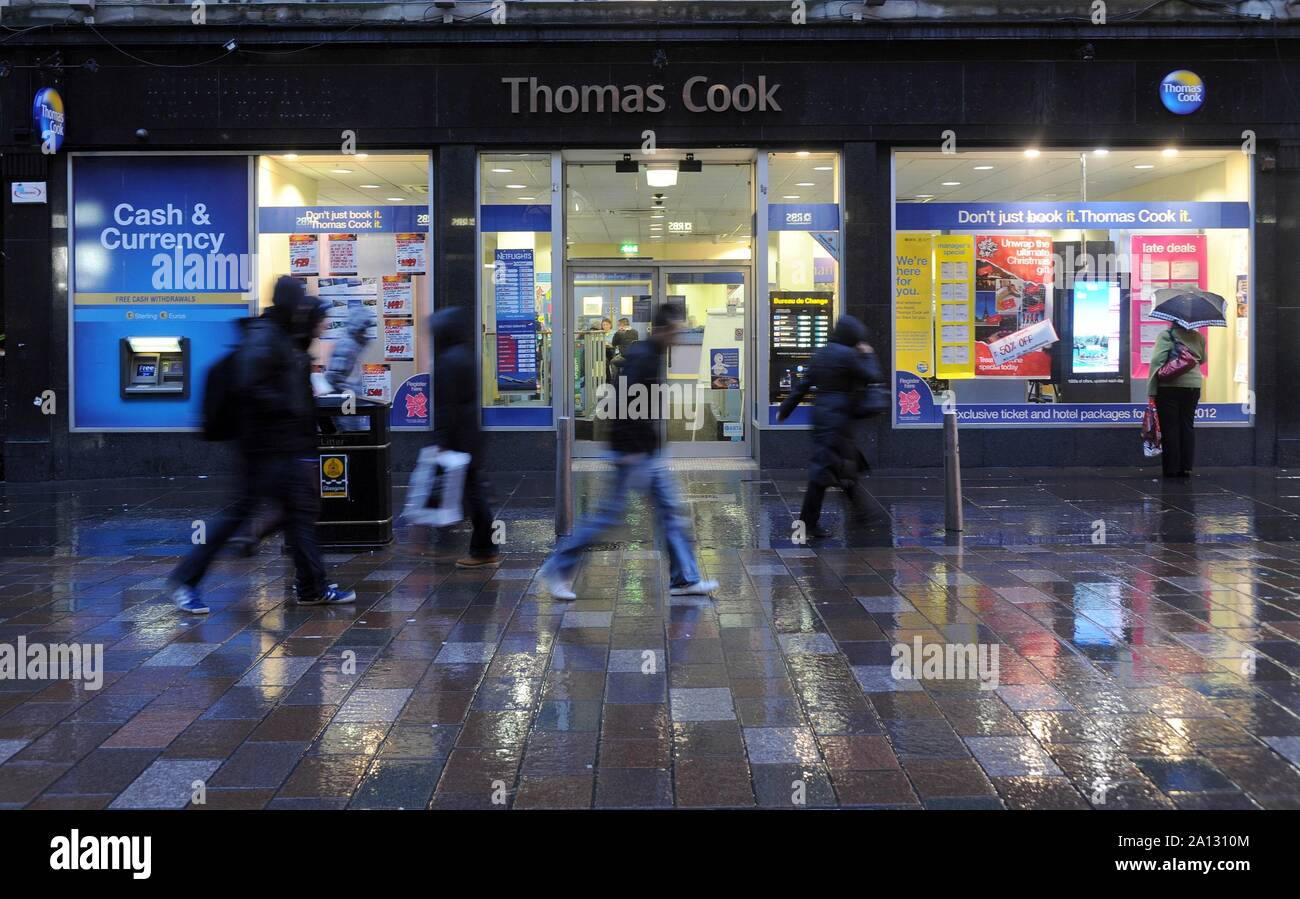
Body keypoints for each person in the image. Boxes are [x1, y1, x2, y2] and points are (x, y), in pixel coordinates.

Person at [168, 276, 357, 613]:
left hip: (285, 448)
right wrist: (286, 407)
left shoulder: (282, 337)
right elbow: (248, 385)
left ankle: (313, 587)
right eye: (300, 302)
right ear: (289, 303)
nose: (304, 308)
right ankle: (186, 581)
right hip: (262, 451)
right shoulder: (265, 336)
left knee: (299, 516)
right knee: (238, 516)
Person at [541, 304, 718, 601]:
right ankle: (558, 566)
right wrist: (628, 449)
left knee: (670, 513)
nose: (680, 337)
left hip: (647, 452)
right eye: (677, 330)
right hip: (634, 454)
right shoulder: (644, 359)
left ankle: (685, 579)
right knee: (608, 517)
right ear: (662, 330)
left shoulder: (653, 356)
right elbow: (624, 403)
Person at [777, 314, 883, 538]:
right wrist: (869, 355)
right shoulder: (849, 355)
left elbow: (802, 386)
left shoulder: (822, 354)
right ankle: (815, 523)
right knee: (831, 470)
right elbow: (872, 375)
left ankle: (855, 515)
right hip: (840, 418)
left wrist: (785, 410)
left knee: (835, 466)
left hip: (822, 415)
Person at [431, 307, 501, 568]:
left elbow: (446, 406)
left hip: (459, 436)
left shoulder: (447, 360)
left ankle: (484, 549)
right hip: (471, 433)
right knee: (474, 490)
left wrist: (442, 439)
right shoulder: (467, 355)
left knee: (473, 493)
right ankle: (484, 547)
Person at [1148, 322, 1204, 478]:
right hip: (1193, 386)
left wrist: (1151, 390)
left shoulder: (1167, 335)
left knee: (1170, 427)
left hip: (1169, 387)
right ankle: (1186, 467)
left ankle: (1171, 468)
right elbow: (1202, 359)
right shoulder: (1199, 336)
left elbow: (1156, 362)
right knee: (1187, 425)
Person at [324, 304, 375, 432]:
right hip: (345, 403)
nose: (366, 333)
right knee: (350, 437)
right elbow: (334, 377)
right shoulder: (348, 345)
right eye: (364, 328)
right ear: (358, 327)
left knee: (352, 437)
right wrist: (348, 394)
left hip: (348, 402)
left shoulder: (353, 344)